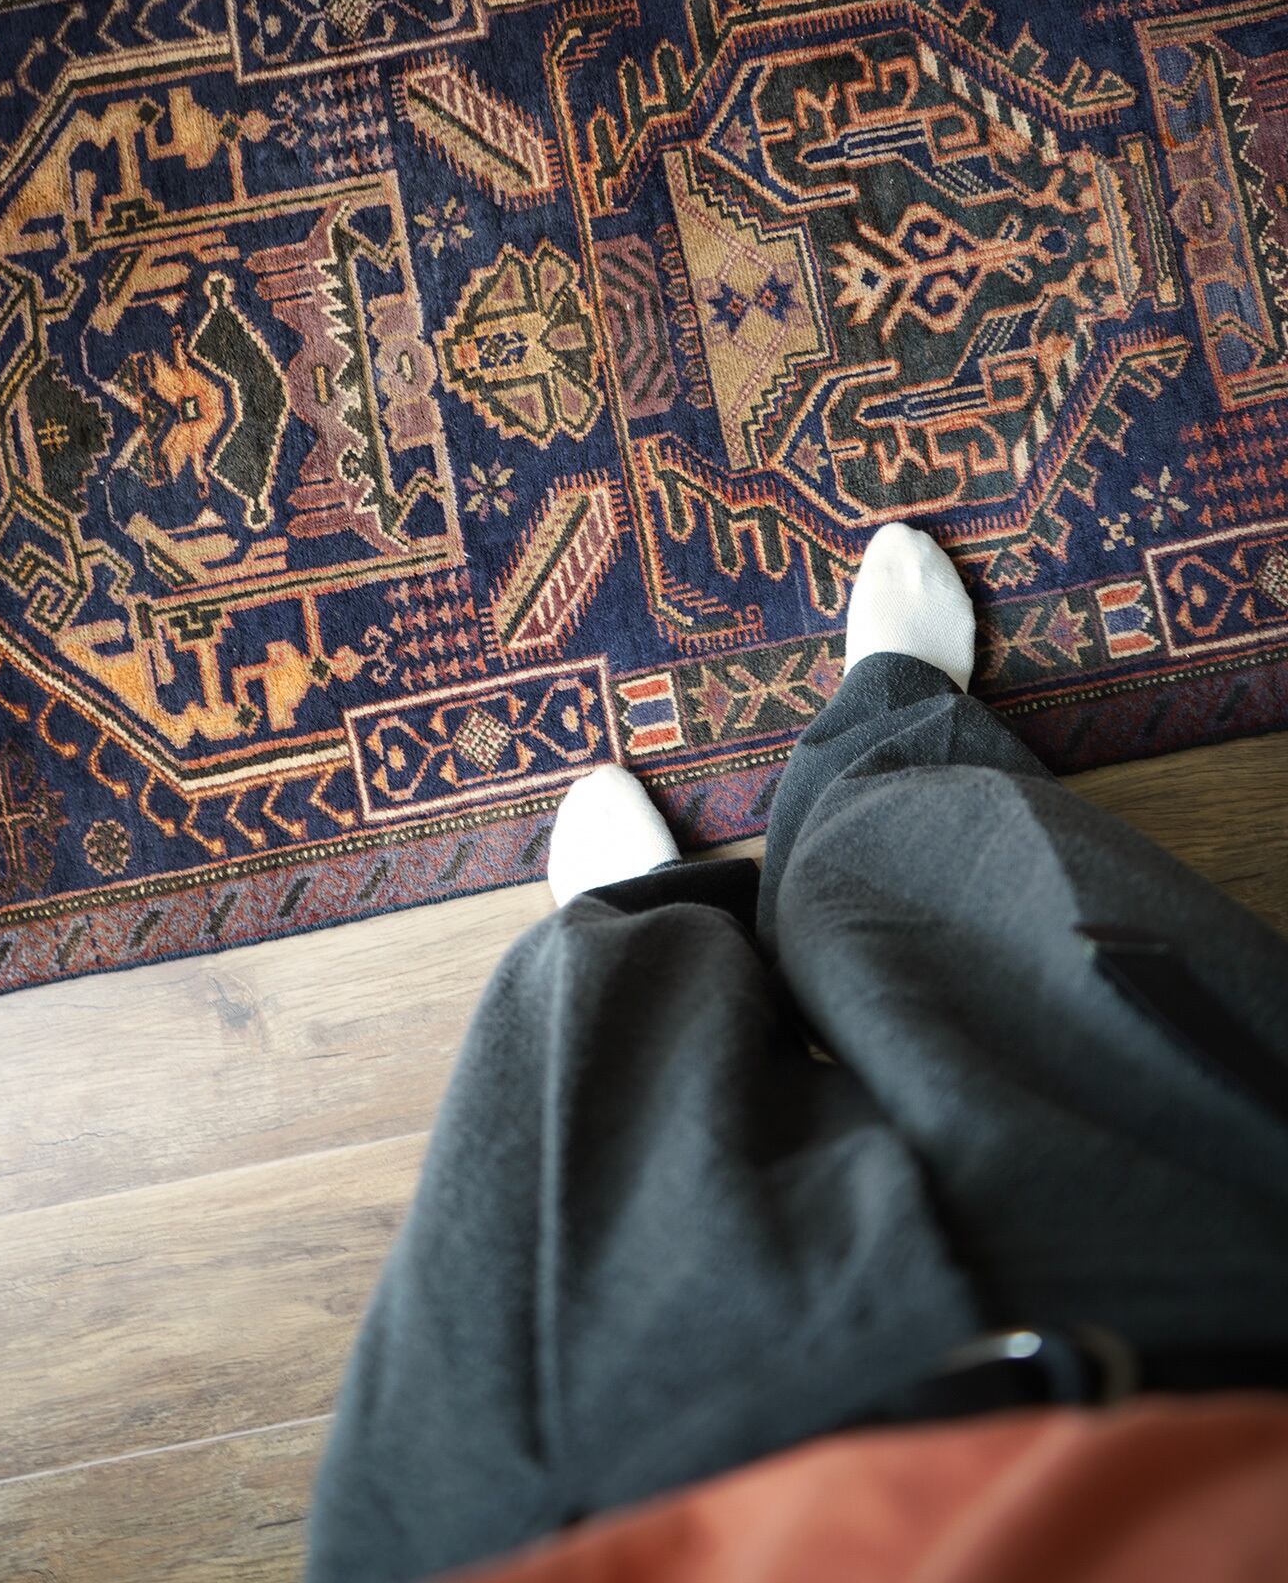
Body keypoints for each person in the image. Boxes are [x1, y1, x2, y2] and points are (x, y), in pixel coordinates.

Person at [304, 524, 1288, 1583]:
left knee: (586, 1065)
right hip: (1228, 1341)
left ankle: (638, 919)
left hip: (613, 1497)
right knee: (1006, 920)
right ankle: (892, 735)